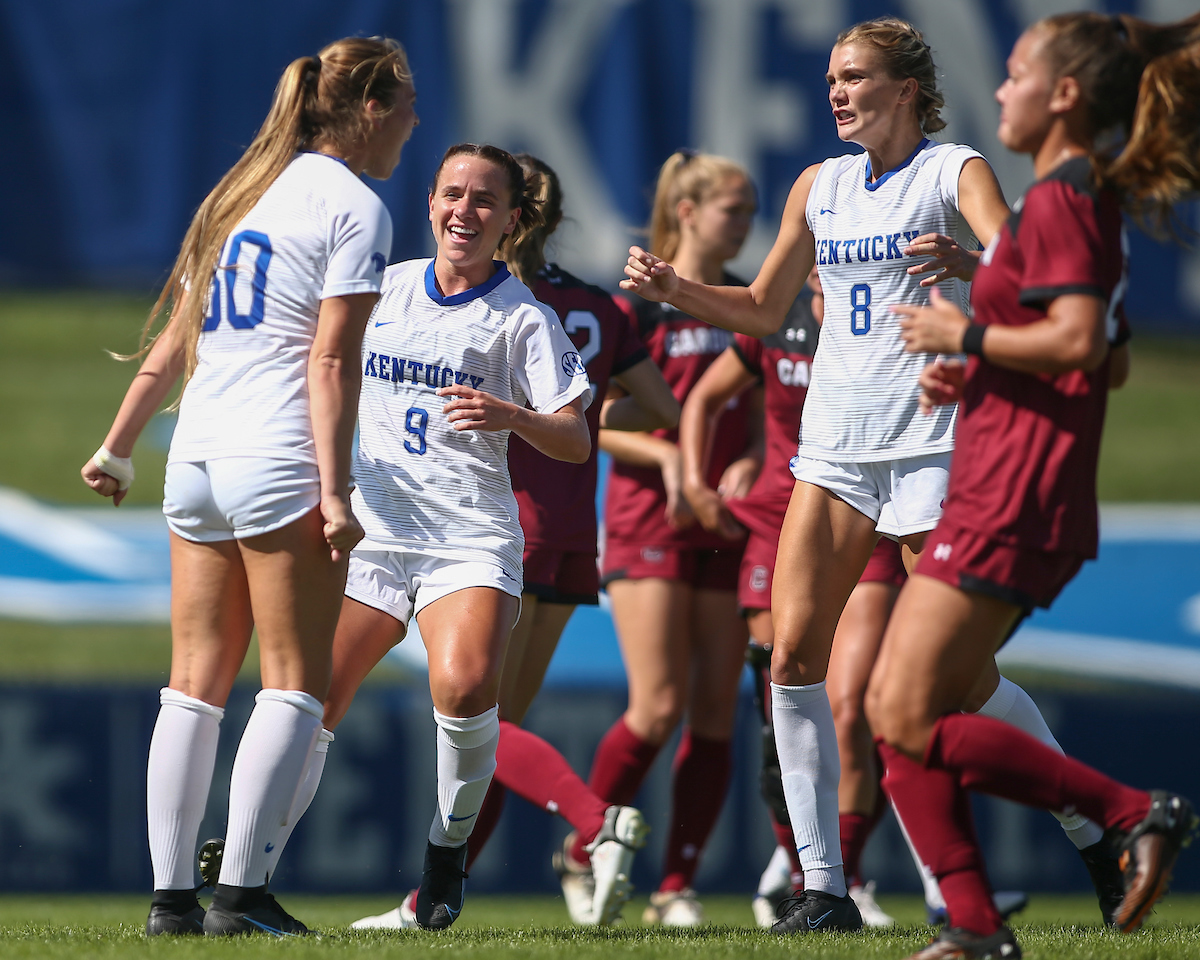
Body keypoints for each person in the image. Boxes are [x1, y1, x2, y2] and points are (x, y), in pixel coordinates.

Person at [622, 17, 1014, 933]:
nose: (836, 91)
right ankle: (823, 888)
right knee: (792, 662)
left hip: (927, 445)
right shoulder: (819, 184)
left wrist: (973, 264)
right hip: (834, 450)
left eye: (856, 76)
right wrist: (677, 290)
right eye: (833, 77)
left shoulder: (953, 171)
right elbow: (764, 309)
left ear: (907, 88)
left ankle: (1093, 824)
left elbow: (1032, 272)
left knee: (960, 676)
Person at [866, 11, 1200, 958]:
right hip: (1008, 482)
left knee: (898, 713)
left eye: (1015, 73)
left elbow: (1082, 342)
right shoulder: (1070, 198)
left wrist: (964, 333)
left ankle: (1130, 813)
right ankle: (975, 926)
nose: (999, 89)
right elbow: (1112, 360)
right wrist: (984, 368)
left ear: (1063, 94)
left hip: (1013, 493)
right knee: (901, 715)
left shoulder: (1061, 197)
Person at [80, 38, 416, 937]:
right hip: (277, 456)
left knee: (192, 685)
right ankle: (238, 896)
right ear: (372, 110)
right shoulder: (357, 206)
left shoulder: (240, 193)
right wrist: (337, 493)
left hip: (194, 457)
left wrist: (117, 446)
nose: (413, 122)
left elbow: (176, 340)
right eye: (405, 106)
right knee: (295, 682)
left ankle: (169, 902)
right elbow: (332, 360)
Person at [348, 154, 677, 931]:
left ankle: (586, 823)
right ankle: (432, 893)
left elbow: (581, 428)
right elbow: (655, 410)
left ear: (517, 218)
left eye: (486, 200)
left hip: (490, 526)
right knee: (484, 720)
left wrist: (518, 418)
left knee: (480, 714)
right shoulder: (596, 305)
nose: (467, 212)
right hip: (557, 528)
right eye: (454, 195)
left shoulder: (523, 311)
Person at [565, 150, 759, 927]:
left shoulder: (744, 300)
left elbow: (767, 408)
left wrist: (751, 459)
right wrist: (673, 457)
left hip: (728, 524)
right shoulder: (637, 307)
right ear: (688, 211)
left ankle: (676, 885)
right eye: (733, 209)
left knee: (714, 711)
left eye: (750, 210)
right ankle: (582, 850)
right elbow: (592, 424)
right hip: (650, 520)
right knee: (658, 706)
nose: (745, 223)